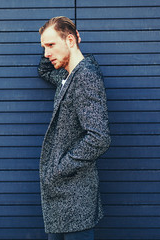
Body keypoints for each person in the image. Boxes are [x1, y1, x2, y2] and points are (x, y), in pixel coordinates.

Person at [37, 16, 111, 240]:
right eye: (43, 47)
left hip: (75, 194)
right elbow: (45, 71)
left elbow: (99, 138)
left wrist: (59, 169)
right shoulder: (68, 75)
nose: (46, 54)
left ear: (70, 41)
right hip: (62, 195)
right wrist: (59, 47)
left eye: (51, 45)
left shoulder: (86, 76)